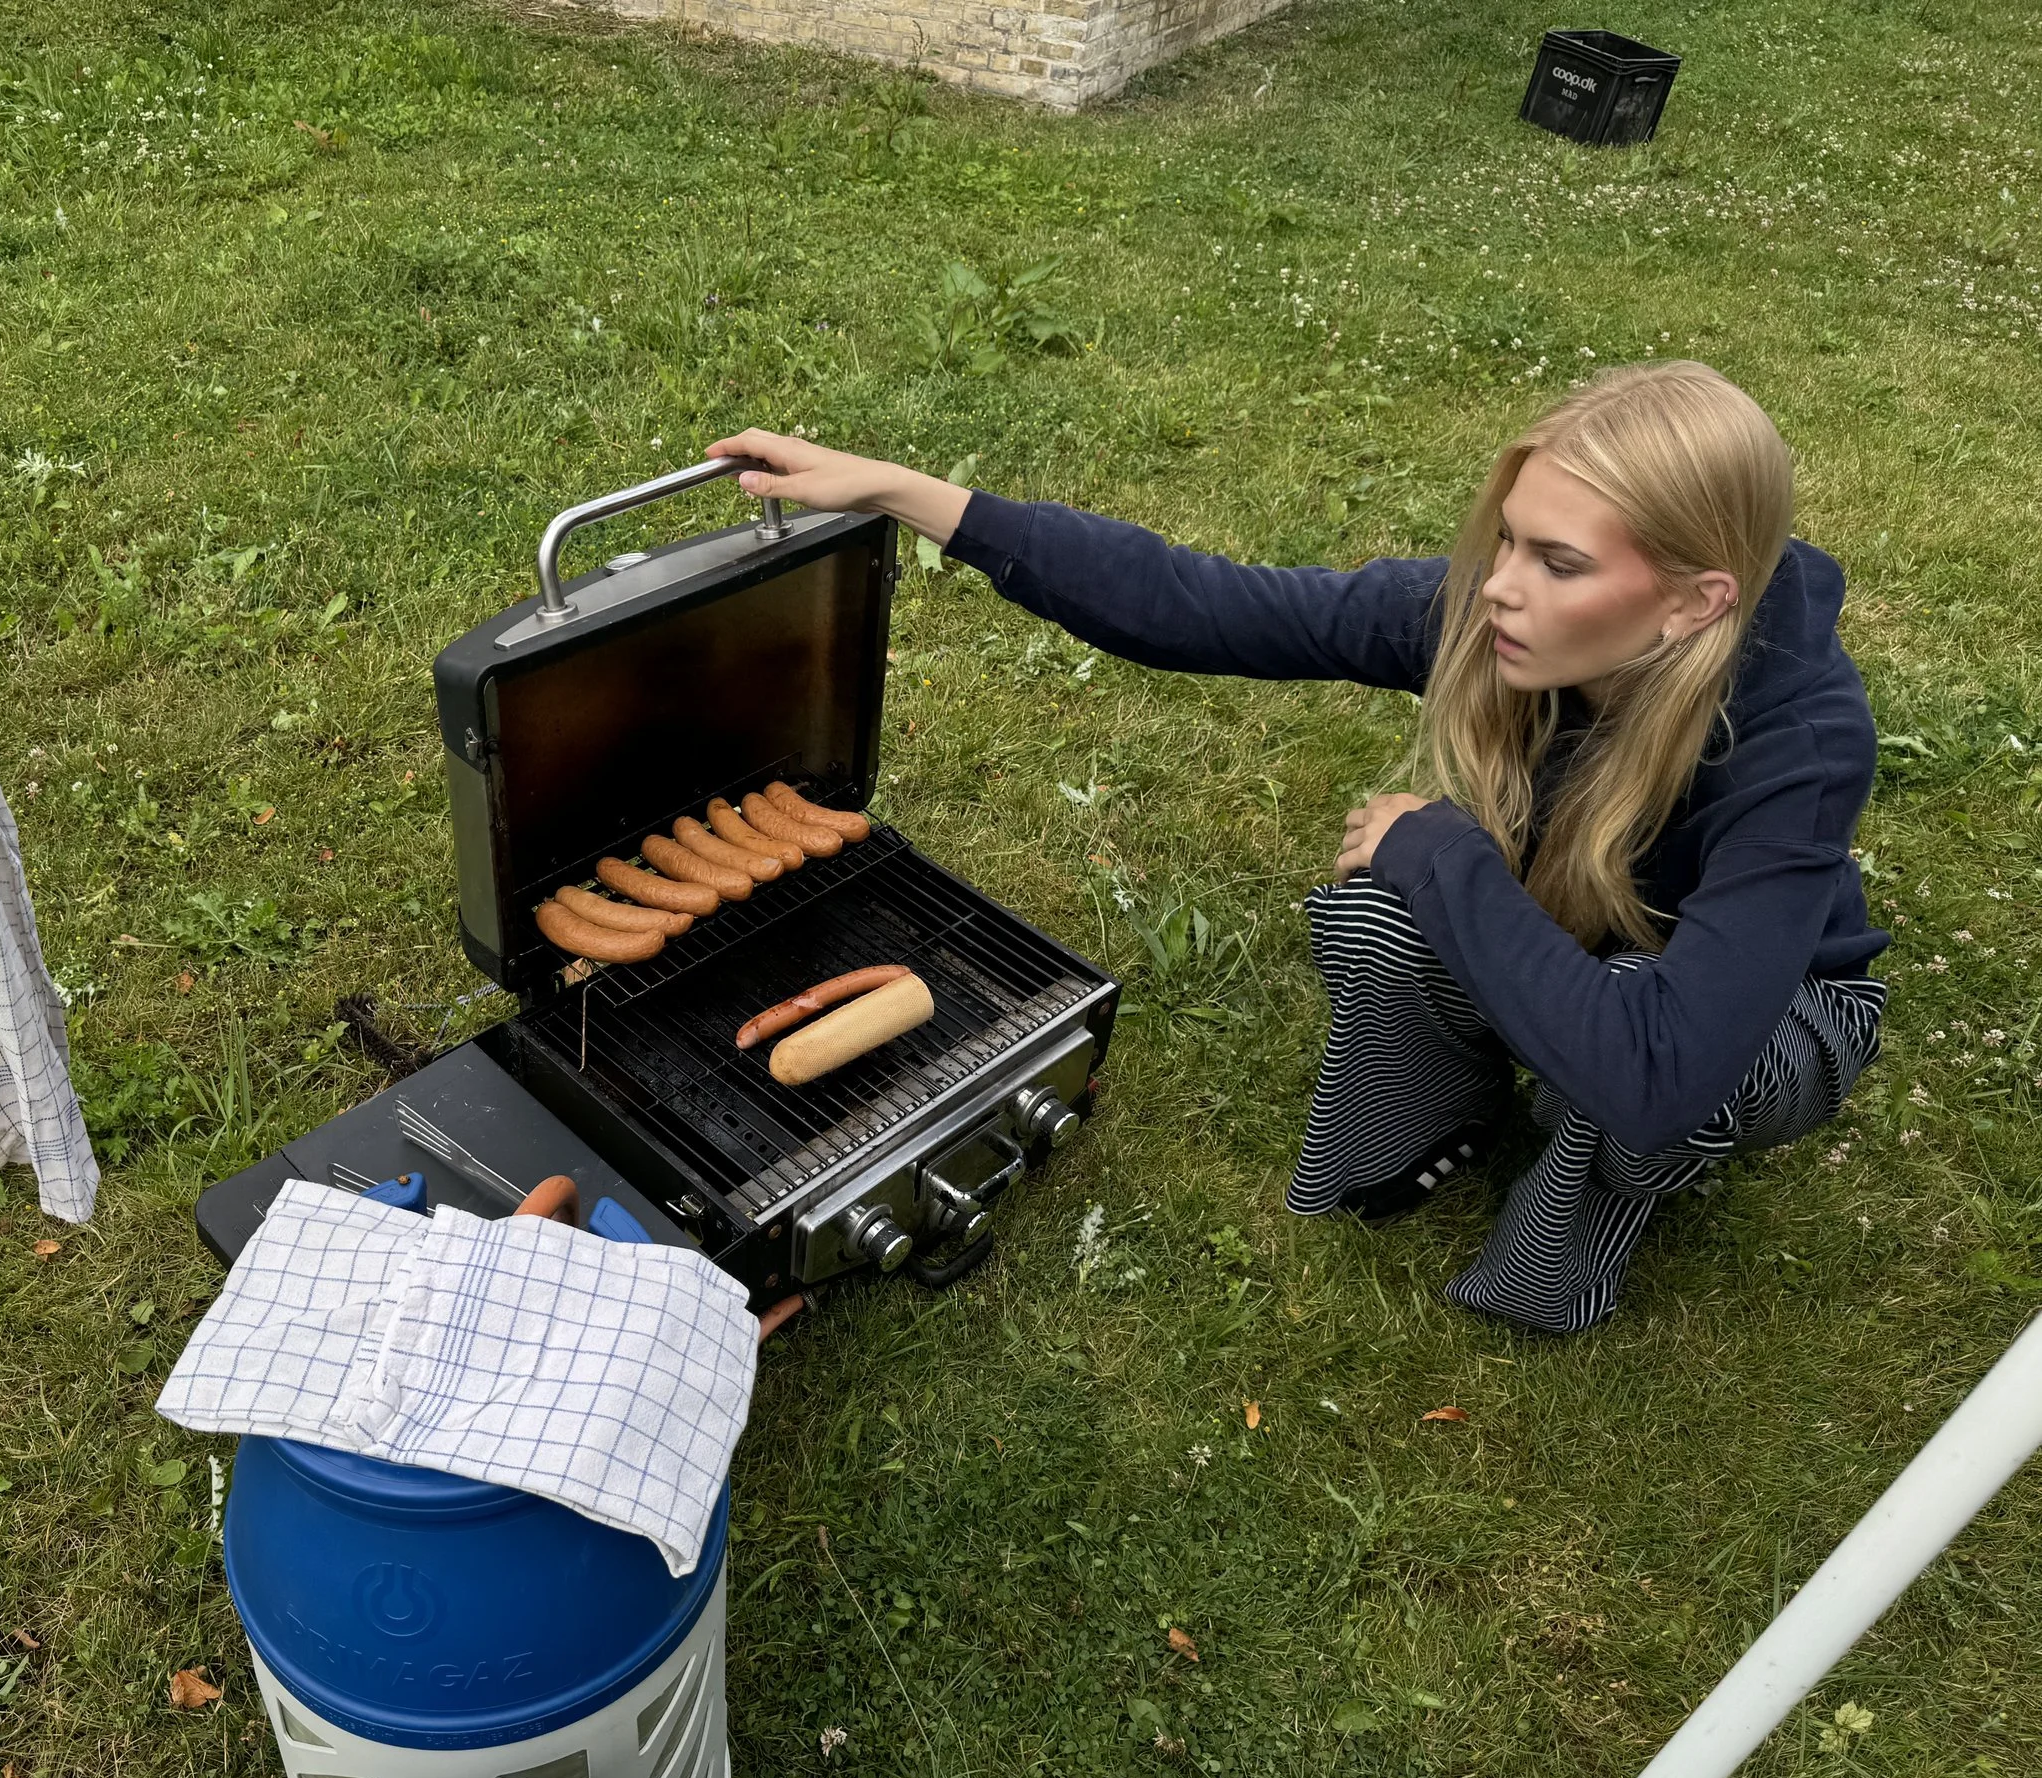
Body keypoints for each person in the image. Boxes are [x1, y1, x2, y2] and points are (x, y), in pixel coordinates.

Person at [707, 362, 1889, 1333]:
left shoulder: (1800, 741)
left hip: (1759, 1025)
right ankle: (1430, 1125)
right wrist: (911, 496)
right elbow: (1210, 606)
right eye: (1510, 542)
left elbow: (1664, 1070)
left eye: (1559, 565)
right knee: (1389, 915)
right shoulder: (1501, 612)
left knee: (1605, 1042)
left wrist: (1439, 850)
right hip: (1580, 936)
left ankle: (1567, 1246)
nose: (1498, 594)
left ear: (1692, 602)